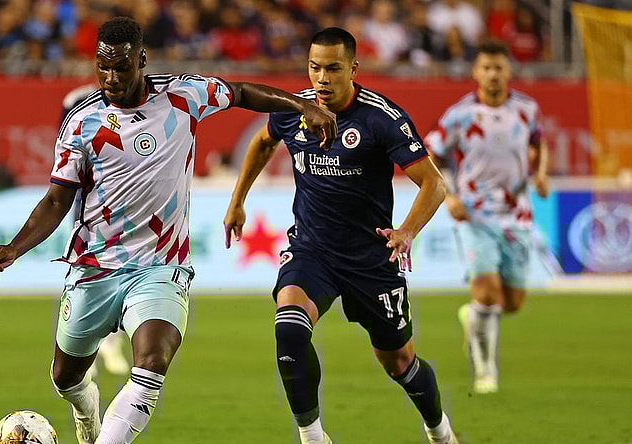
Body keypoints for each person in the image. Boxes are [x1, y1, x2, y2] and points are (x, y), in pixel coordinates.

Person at [0, 16, 337, 444]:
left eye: (122, 67)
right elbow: (58, 199)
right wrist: (14, 248)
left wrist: (303, 106)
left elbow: (241, 92)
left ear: (142, 60)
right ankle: (85, 405)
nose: (111, 78)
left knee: (151, 365)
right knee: (65, 377)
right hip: (95, 268)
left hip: (160, 267)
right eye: (103, 68)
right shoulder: (82, 122)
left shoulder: (182, 96)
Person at [224, 27, 457, 444]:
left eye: (332, 68)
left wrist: (406, 231)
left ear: (353, 68)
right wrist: (237, 199)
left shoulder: (381, 118)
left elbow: (434, 184)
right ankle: (312, 436)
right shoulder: (291, 108)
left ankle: (439, 431)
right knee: (289, 328)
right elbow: (262, 142)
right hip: (312, 249)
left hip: (370, 258)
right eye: (314, 67)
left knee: (399, 362)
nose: (322, 78)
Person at [423, 39, 549, 394]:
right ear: (476, 72)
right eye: (486, 68)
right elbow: (434, 154)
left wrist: (540, 173)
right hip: (475, 213)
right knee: (488, 292)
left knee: (512, 302)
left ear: (509, 71)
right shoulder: (459, 115)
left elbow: (539, 144)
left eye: (499, 68)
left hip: (518, 215)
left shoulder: (527, 109)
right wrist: (449, 195)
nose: (493, 74)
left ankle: (472, 316)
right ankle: (485, 372)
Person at [61, 82, 132, 377]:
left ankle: (111, 344)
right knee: (84, 274)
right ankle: (80, 349)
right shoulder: (76, 100)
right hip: (86, 206)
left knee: (123, 275)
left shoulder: (138, 95)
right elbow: (66, 149)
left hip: (125, 205)